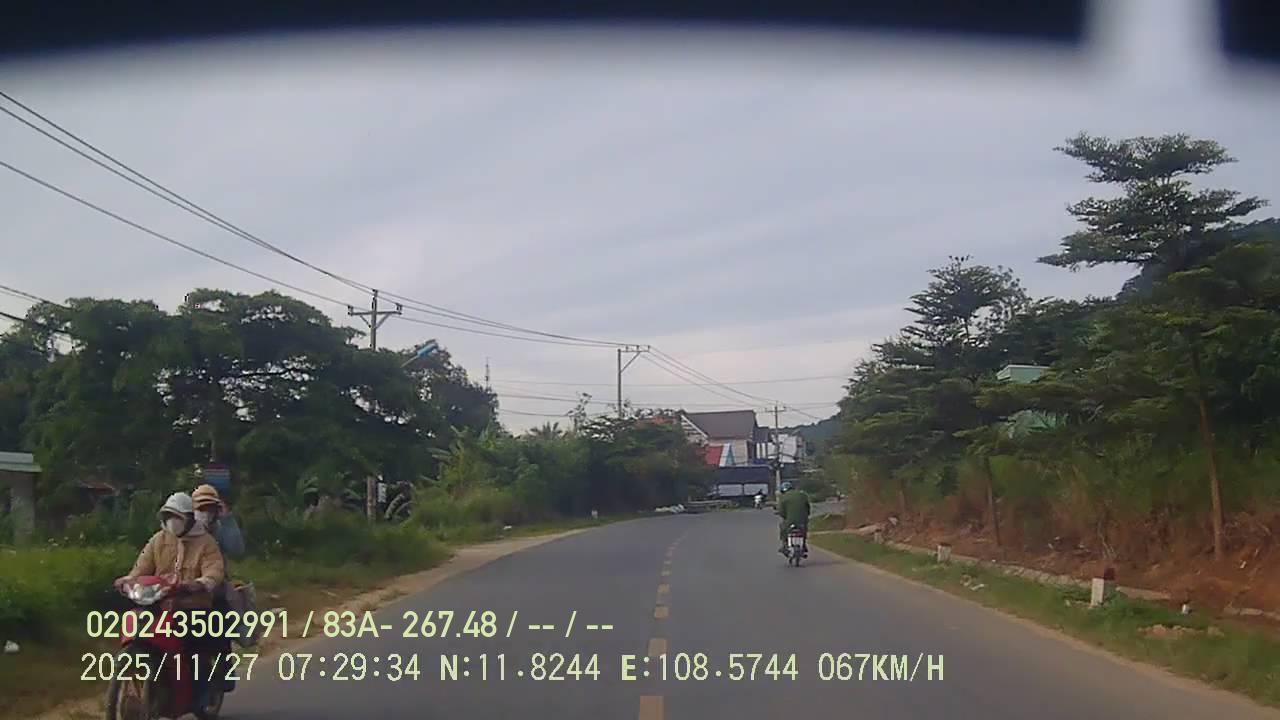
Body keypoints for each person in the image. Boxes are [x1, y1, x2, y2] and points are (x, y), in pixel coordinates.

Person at [114, 492, 225, 719]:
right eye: (168, 516)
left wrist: (200, 583)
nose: (173, 522)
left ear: (189, 518)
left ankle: (200, 691)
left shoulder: (206, 542)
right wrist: (127, 580)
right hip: (157, 603)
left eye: (177, 517)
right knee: (138, 624)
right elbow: (141, 568)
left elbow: (215, 570)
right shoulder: (158, 540)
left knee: (193, 645)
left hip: (192, 606)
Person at [192, 483, 246, 692]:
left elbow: (237, 549)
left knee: (219, 625)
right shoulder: (181, 529)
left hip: (214, 588)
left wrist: (228, 518)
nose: (204, 513)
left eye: (209, 508)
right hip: (183, 588)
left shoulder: (221, 529)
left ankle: (223, 667)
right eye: (200, 508)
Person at [775, 481, 811, 555]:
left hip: (790, 521)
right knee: (804, 530)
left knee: (783, 528)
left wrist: (784, 516)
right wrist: (806, 515)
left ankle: (784, 545)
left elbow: (781, 512)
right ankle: (804, 544)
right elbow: (807, 507)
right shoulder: (802, 495)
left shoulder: (783, 497)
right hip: (803, 520)